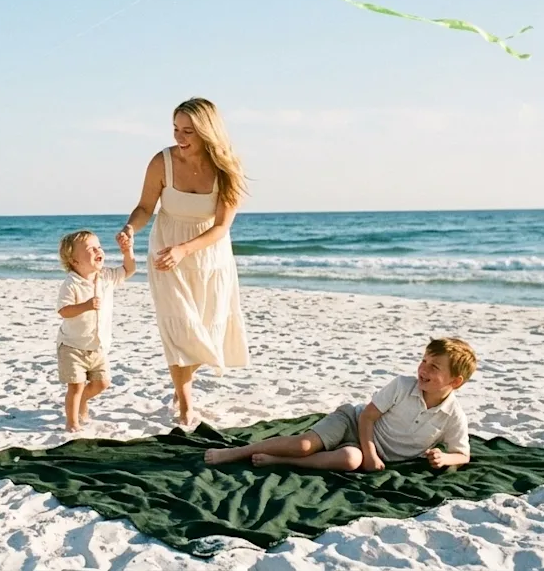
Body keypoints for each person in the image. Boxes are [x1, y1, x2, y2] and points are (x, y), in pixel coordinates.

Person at [116, 97, 249, 427]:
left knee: (206, 329)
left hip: (209, 255)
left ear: (207, 131)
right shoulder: (162, 162)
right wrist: (130, 227)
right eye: (176, 128)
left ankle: (181, 385)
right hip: (166, 254)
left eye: (188, 130)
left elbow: (221, 227)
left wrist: (186, 249)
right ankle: (186, 403)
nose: (179, 137)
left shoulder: (227, 168)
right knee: (179, 329)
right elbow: (146, 207)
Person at [203, 338, 476, 471]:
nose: (423, 369)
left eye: (434, 367)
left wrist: (444, 458)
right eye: (424, 361)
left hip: (360, 447)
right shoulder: (403, 386)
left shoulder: (453, 415)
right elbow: (367, 417)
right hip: (351, 421)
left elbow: (462, 454)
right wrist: (371, 455)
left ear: (455, 381)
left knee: (349, 460)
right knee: (303, 445)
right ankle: (237, 452)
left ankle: (280, 460)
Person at [54, 230, 136, 431]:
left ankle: (81, 402)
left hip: (98, 345)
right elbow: (63, 311)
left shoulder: (106, 276)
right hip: (72, 346)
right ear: (74, 260)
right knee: (76, 385)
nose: (99, 250)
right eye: (91, 248)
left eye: (99, 246)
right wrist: (86, 305)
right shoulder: (71, 283)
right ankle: (72, 422)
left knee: (103, 383)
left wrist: (128, 250)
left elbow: (129, 269)